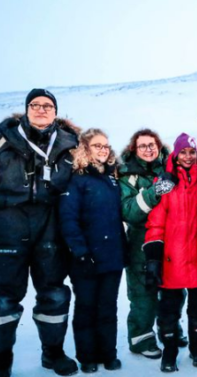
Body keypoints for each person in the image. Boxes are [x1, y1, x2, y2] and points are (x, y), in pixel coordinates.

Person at [0, 88, 80, 377]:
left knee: (54, 294)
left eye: (48, 105)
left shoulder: (71, 144)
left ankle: (52, 353)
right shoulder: (0, 142)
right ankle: (1, 361)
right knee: (3, 298)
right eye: (35, 105)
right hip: (8, 227)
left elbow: (84, 189)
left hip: (51, 228)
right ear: (26, 109)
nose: (41, 109)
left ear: (56, 112)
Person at [59, 128, 127, 373]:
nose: (103, 149)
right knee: (86, 307)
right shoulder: (76, 180)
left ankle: (108, 353)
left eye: (106, 145)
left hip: (112, 257)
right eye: (97, 145)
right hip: (85, 258)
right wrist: (80, 252)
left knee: (108, 307)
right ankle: (87, 356)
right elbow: (68, 219)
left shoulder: (111, 178)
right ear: (85, 148)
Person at [143, 133, 197, 372]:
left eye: (192, 152)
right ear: (175, 154)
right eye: (183, 152)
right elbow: (156, 221)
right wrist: (153, 257)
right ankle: (169, 352)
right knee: (168, 311)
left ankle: (196, 348)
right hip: (171, 258)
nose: (188, 157)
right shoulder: (164, 182)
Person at [118, 129, 184, 359]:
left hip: (173, 240)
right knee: (143, 293)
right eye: (142, 145)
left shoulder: (172, 169)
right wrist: (153, 192)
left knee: (176, 289)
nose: (148, 149)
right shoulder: (127, 175)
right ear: (134, 150)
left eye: (152, 144)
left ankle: (170, 326)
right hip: (140, 241)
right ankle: (141, 337)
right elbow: (129, 212)